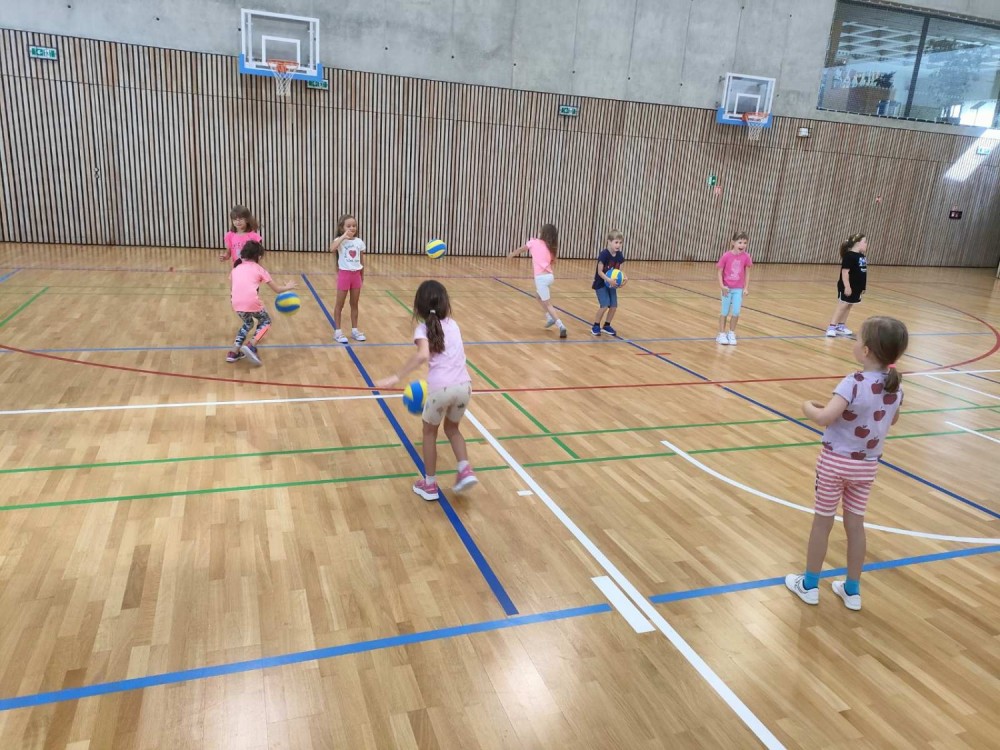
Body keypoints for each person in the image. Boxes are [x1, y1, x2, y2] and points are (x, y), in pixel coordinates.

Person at [785, 316, 909, 611]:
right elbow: (892, 419)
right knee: (856, 525)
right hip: (866, 467)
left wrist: (807, 406)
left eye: (858, 339)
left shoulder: (853, 382)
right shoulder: (895, 387)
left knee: (822, 522)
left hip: (835, 464)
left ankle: (810, 585)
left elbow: (824, 417)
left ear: (866, 351)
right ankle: (852, 589)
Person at [375, 280, 478, 501]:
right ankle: (465, 469)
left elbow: (422, 355)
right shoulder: (453, 324)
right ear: (445, 304)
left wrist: (396, 376)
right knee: (453, 429)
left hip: (441, 390)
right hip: (465, 387)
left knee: (429, 433)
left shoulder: (422, 329)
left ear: (419, 307)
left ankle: (429, 484)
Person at [226, 241, 296, 366]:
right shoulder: (259, 269)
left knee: (248, 323)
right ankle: (251, 345)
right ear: (258, 256)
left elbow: (233, 289)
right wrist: (288, 287)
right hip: (251, 302)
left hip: (235, 303)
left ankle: (233, 352)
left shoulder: (235, 269)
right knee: (266, 321)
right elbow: (277, 290)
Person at [508, 224, 567, 338]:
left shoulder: (534, 242)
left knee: (548, 304)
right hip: (550, 277)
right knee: (538, 296)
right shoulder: (550, 247)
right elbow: (552, 261)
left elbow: (522, 249)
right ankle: (549, 317)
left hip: (541, 279)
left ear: (542, 233)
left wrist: (512, 254)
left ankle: (560, 325)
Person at [330, 214, 367, 344]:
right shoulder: (339, 240)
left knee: (354, 304)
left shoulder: (359, 242)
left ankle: (355, 330)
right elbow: (332, 248)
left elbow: (361, 260)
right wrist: (343, 237)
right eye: (348, 226)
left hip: (356, 276)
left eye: (354, 226)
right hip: (344, 275)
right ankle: (338, 332)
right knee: (339, 305)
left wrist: (362, 275)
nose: (352, 228)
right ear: (342, 228)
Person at [826, 233, 868, 338]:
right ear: (858, 243)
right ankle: (831, 327)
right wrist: (847, 286)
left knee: (849, 305)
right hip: (847, 286)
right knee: (843, 305)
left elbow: (863, 272)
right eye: (865, 242)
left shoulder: (862, 256)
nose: (866, 244)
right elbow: (845, 272)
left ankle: (841, 326)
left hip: (857, 287)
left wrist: (863, 287)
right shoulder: (849, 256)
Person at [715, 232, 752, 346]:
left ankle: (731, 333)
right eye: (740, 242)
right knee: (725, 311)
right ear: (733, 243)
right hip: (727, 289)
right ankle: (721, 334)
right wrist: (722, 286)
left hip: (738, 289)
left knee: (736, 312)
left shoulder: (746, 257)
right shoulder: (726, 256)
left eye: (745, 243)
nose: (742, 245)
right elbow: (719, 271)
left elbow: (747, 273)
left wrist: (745, 287)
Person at [591, 230, 626, 336]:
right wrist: (608, 279)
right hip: (601, 284)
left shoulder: (619, 256)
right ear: (609, 242)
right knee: (605, 305)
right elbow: (599, 272)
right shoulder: (604, 255)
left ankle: (607, 325)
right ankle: (596, 325)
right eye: (616, 242)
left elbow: (620, 272)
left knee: (614, 306)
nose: (618, 245)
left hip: (612, 285)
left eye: (620, 243)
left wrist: (624, 279)